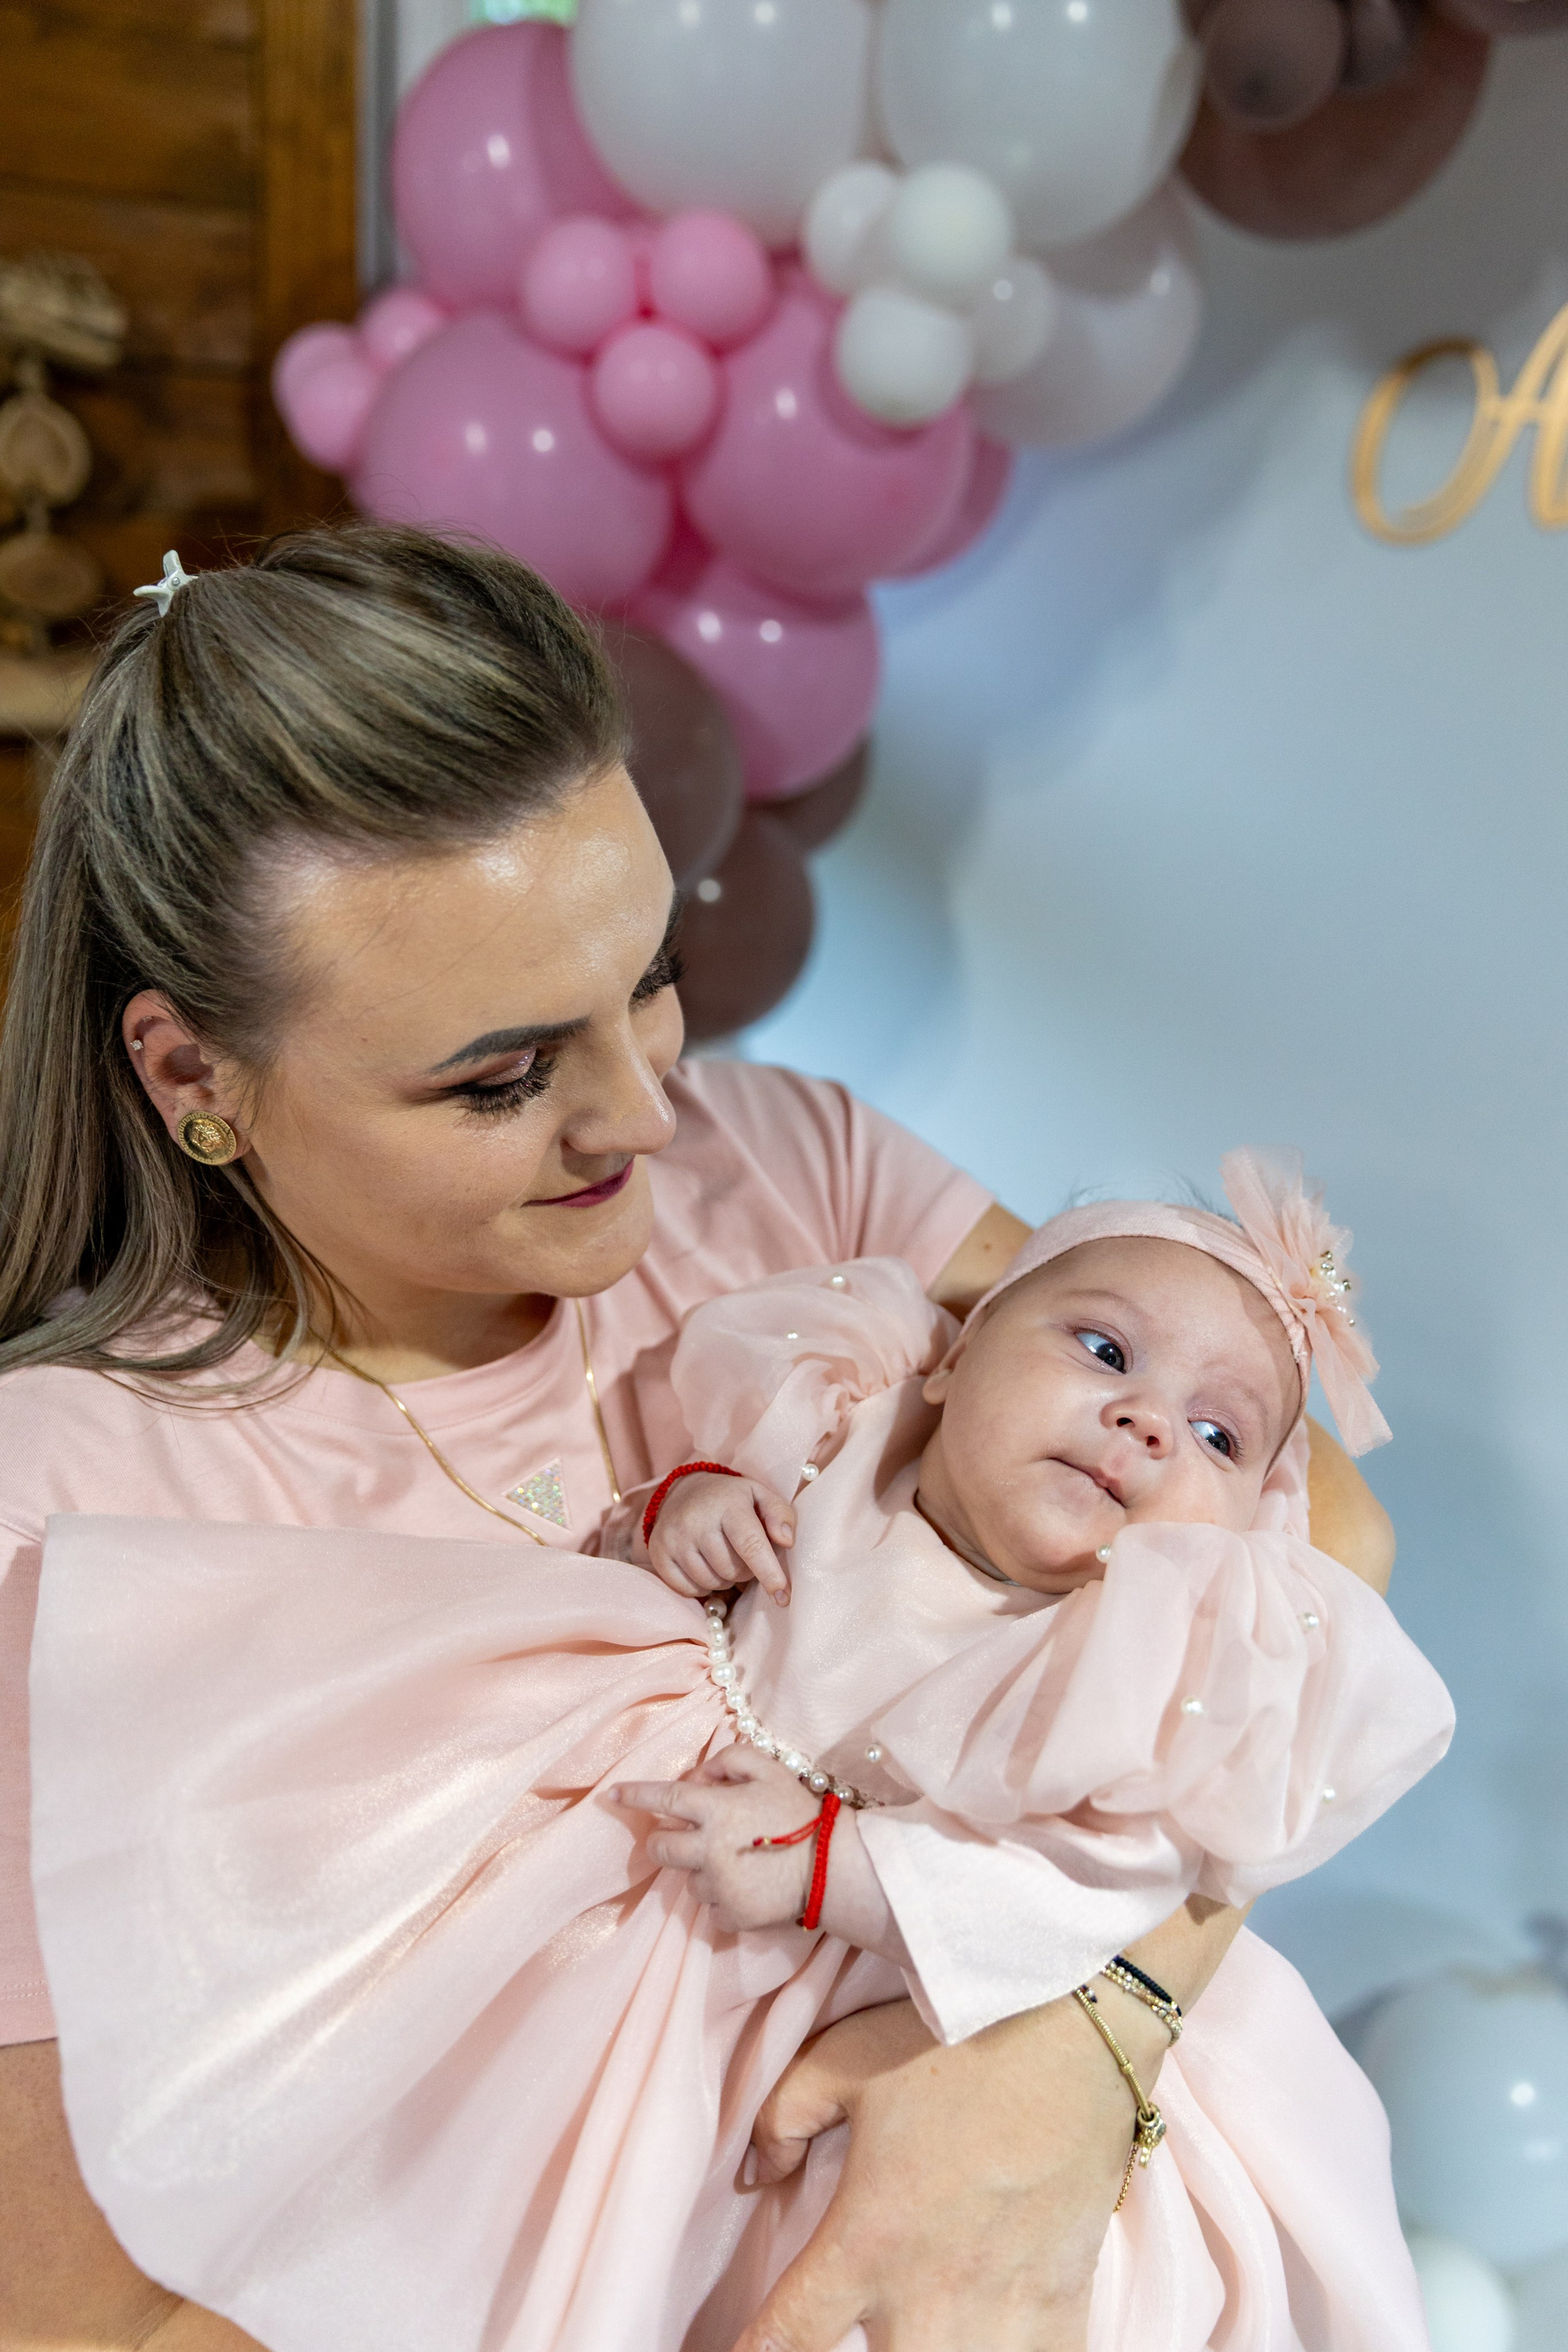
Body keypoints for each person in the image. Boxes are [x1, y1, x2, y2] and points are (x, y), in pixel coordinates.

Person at [0, 524, 1394, 2352]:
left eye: (651, 977)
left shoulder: (800, 1178)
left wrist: (1077, 2044)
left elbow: (1319, 1543)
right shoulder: (72, 1511)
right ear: (196, 1078)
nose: (650, 1114)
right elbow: (76, 2313)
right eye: (503, 1079)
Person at [25, 1153, 1450, 2351]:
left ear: (1244, 1529)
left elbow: (1100, 1884)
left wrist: (850, 1869)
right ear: (955, 1357)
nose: (1144, 1422)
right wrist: (676, 1516)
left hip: (894, 1981)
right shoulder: (841, 1429)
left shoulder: (1139, 1664)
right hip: (640, 1902)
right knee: (481, 2192)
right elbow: (668, 1551)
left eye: (1216, 1434)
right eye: (1104, 1353)